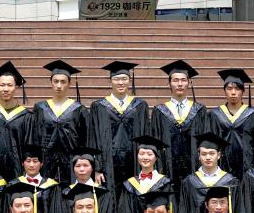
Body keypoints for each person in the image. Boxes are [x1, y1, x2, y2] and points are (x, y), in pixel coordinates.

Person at [88, 61, 147, 192]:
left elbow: (145, 137)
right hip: (107, 165)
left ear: (129, 80)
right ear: (110, 81)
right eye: (116, 79)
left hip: (133, 164)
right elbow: (93, 139)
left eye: (124, 79)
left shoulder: (140, 106)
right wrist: (97, 168)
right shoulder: (98, 106)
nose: (120, 82)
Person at [30, 60, 91, 185]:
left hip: (71, 163)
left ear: (69, 84)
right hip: (46, 163)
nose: (59, 85)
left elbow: (85, 140)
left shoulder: (79, 109)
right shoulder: (40, 108)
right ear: (51, 83)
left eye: (63, 82)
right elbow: (34, 138)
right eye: (56, 81)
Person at [196, 69, 254, 179]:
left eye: (237, 88)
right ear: (224, 91)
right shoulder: (215, 115)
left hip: (247, 165)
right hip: (222, 166)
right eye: (229, 88)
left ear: (243, 91)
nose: (233, 92)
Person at [151, 60, 205, 185]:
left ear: (189, 82)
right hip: (167, 167)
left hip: (194, 167)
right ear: (169, 83)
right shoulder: (159, 111)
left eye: (183, 80)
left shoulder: (199, 110)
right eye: (175, 80)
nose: (180, 84)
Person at [177, 132, 240, 213]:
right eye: (204, 154)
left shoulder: (230, 181)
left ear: (218, 155)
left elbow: (238, 212)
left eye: (212, 153)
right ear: (199, 156)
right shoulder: (189, 182)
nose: (208, 157)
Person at [117, 135, 173, 213]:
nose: (145, 157)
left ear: (156, 157)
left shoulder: (165, 183)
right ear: (137, 156)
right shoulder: (129, 185)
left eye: (149, 154)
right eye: (141, 153)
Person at [13, 144, 68, 213]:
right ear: (23, 163)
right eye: (28, 161)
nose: (31, 165)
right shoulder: (14, 185)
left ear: (41, 163)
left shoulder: (51, 186)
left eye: (35, 161)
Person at [68, 147, 115, 213]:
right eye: (78, 166)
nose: (82, 169)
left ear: (92, 168)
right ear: (73, 169)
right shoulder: (66, 192)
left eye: (86, 165)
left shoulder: (103, 193)